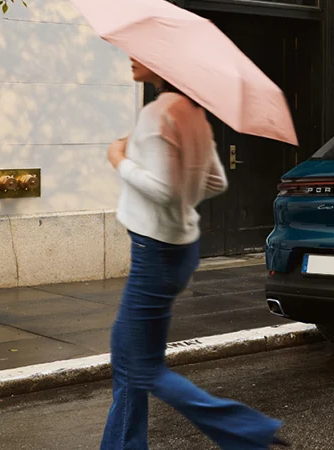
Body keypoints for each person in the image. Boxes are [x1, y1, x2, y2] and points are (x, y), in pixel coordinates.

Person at [100, 58, 287, 450]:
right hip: (177, 249)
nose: (131, 57)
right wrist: (181, 193)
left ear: (162, 64)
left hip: (155, 250)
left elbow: (165, 191)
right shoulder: (195, 115)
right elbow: (216, 181)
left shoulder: (158, 113)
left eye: (140, 53)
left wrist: (121, 160)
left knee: (142, 366)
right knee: (126, 356)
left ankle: (248, 430)